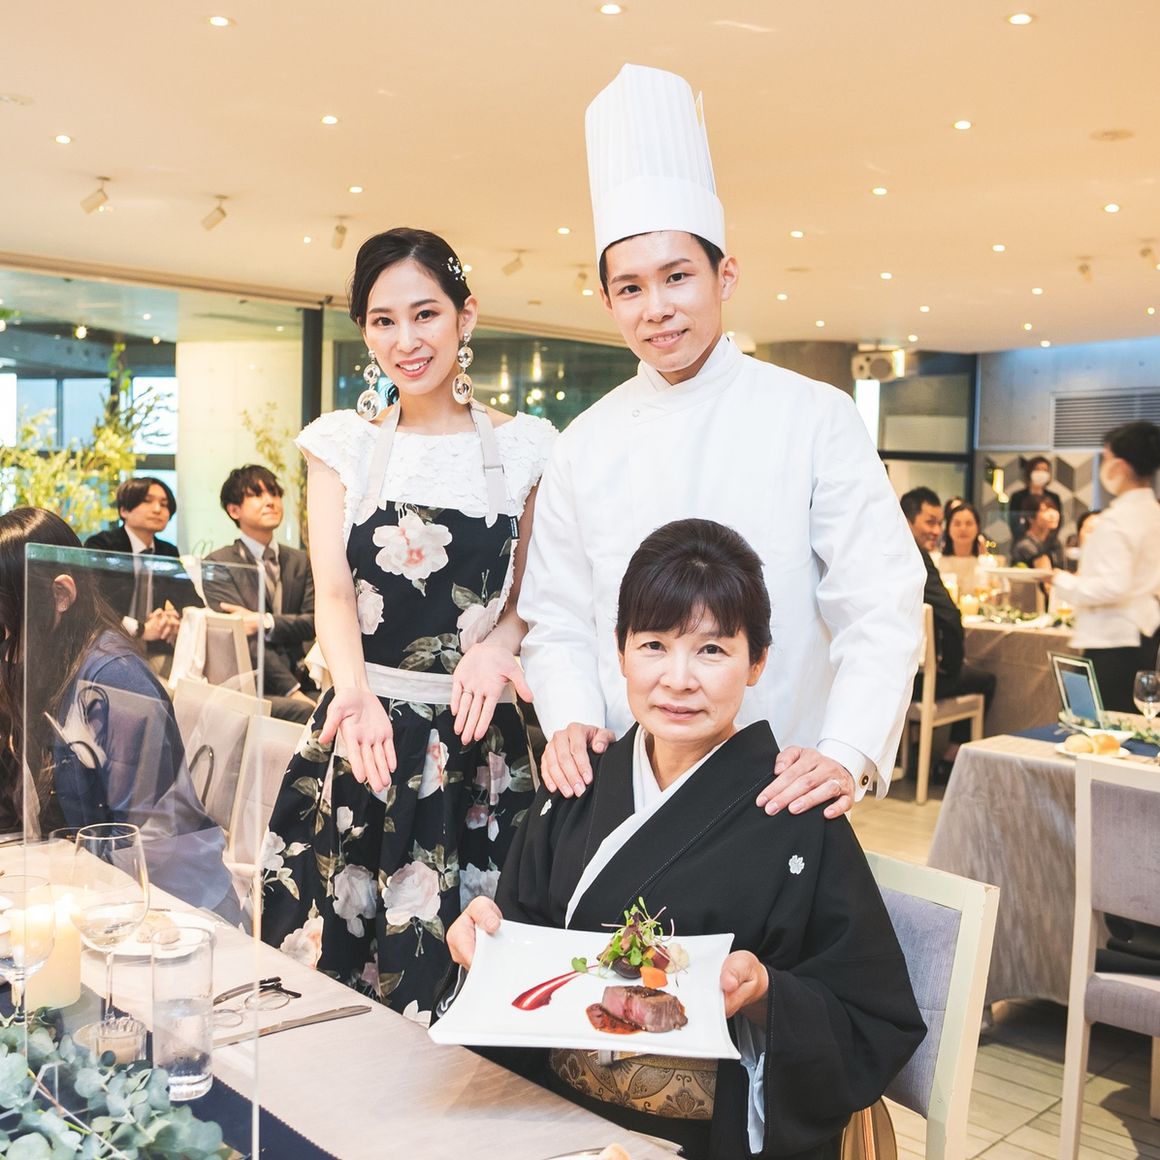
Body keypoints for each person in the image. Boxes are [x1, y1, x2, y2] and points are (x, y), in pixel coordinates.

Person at [444, 520, 925, 1160]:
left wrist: (766, 996)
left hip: (705, 1141)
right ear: (619, 653)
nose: (678, 679)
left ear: (757, 662)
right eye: (653, 645)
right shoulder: (578, 784)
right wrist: (485, 945)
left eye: (712, 650)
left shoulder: (797, 810)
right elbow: (523, 955)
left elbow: (873, 1018)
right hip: (557, 1124)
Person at [519, 64, 924, 821]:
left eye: (677, 276)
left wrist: (845, 751)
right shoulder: (584, 443)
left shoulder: (815, 415)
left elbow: (880, 601)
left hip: (781, 790)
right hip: (623, 784)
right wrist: (570, 720)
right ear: (605, 299)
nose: (656, 308)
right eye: (630, 288)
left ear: (725, 275)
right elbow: (559, 616)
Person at [260, 228, 557, 1018]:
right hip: (368, 734)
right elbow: (332, 590)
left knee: (469, 976)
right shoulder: (343, 445)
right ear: (364, 332)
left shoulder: (527, 448)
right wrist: (352, 693)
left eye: (425, 314)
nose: (406, 340)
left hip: (476, 741)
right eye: (383, 321)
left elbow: (533, 594)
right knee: (337, 969)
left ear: (466, 316)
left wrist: (499, 645)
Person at [0, 507, 237, 919]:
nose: (4, 639)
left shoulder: (115, 680)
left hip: (173, 909)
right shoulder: (51, 665)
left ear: (61, 595)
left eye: (5, 621)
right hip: (106, 890)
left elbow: (147, 837)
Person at [1051, 421, 1160, 711]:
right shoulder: (1153, 512)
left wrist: (1063, 582)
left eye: (1106, 457)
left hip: (1114, 640)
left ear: (1120, 466)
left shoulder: (1118, 519)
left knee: (1096, 723)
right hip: (1145, 633)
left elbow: (1113, 586)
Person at [203, 464, 317, 724]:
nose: (270, 501)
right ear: (234, 510)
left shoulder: (300, 560)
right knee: (305, 713)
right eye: (257, 494)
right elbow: (242, 637)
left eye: (274, 493)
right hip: (251, 684)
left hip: (304, 674)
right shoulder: (219, 564)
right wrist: (292, 691)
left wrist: (264, 622)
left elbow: (313, 622)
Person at [901, 488, 997, 771]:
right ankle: (950, 760)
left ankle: (914, 750)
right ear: (907, 519)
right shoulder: (916, 556)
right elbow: (950, 616)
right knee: (986, 680)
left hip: (880, 673)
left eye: (939, 523)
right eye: (930, 522)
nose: (936, 530)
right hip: (911, 682)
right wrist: (952, 665)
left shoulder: (878, 552)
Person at [84, 477, 202, 671]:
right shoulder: (102, 545)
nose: (157, 509)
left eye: (164, 504)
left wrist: (174, 620)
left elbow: (191, 600)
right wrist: (141, 629)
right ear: (124, 510)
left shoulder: (167, 552)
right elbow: (94, 603)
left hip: (155, 648)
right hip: (107, 644)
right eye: (147, 501)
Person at [1006, 455, 1062, 539]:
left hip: (1048, 540)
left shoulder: (1053, 497)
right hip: (1023, 540)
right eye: (1037, 469)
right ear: (1030, 472)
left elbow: (1058, 523)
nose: (1041, 473)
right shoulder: (1018, 497)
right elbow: (1014, 522)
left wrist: (1048, 538)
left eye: (1045, 470)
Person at [937, 498, 984, 595]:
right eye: (957, 524)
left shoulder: (987, 566)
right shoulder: (936, 563)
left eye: (969, 523)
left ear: (978, 528)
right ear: (948, 528)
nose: (963, 528)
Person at [1011, 496, 1065, 570]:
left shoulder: (1054, 542)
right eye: (1045, 510)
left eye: (1054, 509)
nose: (1053, 515)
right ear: (1030, 518)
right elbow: (1045, 572)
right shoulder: (1025, 545)